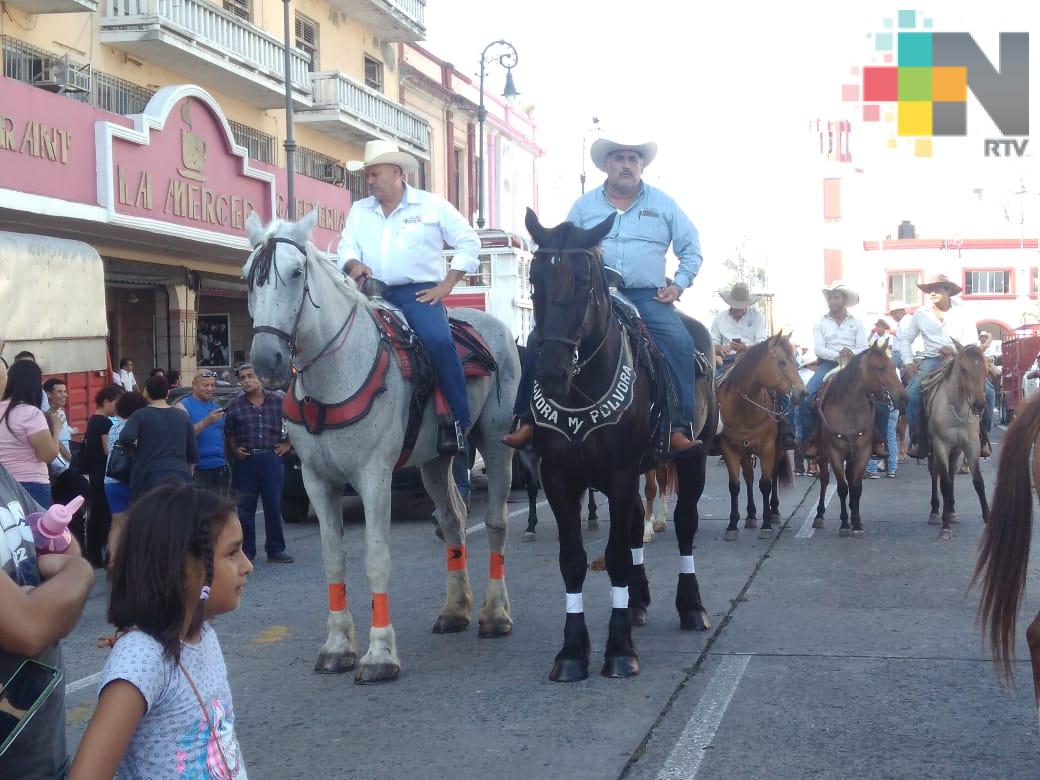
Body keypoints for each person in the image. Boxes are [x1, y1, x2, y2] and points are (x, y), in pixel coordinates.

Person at [505, 137, 702, 453]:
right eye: (620, 158)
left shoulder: (664, 205)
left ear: (641, 166)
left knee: (680, 343)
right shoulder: (584, 207)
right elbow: (565, 250)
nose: (627, 164)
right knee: (539, 338)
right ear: (607, 165)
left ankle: (678, 425)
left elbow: (691, 249)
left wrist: (678, 284)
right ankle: (525, 419)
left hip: (646, 296)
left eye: (633, 159)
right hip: (595, 296)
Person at [69, 484, 251, 779]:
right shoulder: (142, 658)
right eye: (232, 553)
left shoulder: (203, 635)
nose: (247, 565)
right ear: (181, 567)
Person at [337, 139, 480, 456]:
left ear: (397, 172)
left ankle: (458, 422)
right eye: (368, 175)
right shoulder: (360, 211)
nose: (369, 180)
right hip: (371, 292)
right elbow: (345, 246)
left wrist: (447, 284)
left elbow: (469, 242)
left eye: (374, 174)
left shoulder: (432, 205)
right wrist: (353, 263)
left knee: (439, 342)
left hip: (418, 294)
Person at [0, 462, 95, 779]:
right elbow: (30, 630)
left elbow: (63, 542)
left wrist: (62, 574)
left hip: (40, 752)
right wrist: (78, 573)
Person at [898, 274, 994, 458]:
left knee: (988, 392)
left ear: (948, 290)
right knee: (912, 394)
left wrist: (955, 348)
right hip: (932, 360)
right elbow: (906, 338)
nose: (932, 293)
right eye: (929, 290)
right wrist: (908, 361)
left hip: (960, 359)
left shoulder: (963, 312)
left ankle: (983, 436)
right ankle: (917, 439)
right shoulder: (921, 313)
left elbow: (972, 341)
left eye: (937, 289)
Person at [710, 282, 796, 449]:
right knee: (710, 386)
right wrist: (722, 348)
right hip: (727, 361)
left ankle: (786, 427)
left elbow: (763, 343)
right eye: (735, 305)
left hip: (753, 361)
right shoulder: (719, 318)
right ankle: (713, 427)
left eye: (741, 306)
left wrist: (745, 348)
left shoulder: (757, 317)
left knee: (780, 386)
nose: (738, 309)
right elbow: (713, 343)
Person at [223, 364, 293, 564]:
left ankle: (276, 549)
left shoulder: (278, 401)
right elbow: (229, 433)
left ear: (260, 378)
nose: (246, 380)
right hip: (247, 461)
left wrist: (288, 443)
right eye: (242, 377)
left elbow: (294, 422)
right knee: (245, 508)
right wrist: (235, 450)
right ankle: (247, 551)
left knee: (273, 505)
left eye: (250, 376)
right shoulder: (235, 405)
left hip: (272, 458)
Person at [800, 281, 870, 458]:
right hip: (829, 364)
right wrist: (839, 354)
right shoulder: (820, 322)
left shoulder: (857, 323)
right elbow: (819, 349)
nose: (832, 301)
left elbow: (863, 346)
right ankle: (811, 441)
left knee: (880, 396)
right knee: (807, 398)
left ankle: (878, 440)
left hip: (854, 366)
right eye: (830, 297)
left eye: (836, 297)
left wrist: (851, 352)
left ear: (844, 300)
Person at [116, 374, 197, 500]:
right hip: (179, 474)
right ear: (168, 393)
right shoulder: (182, 416)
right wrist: (188, 475)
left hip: (148, 476)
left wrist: (134, 451)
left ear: (147, 393)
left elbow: (125, 438)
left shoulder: (140, 415)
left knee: (150, 516)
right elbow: (192, 452)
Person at [0, 360, 61, 506]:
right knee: (34, 528)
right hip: (31, 484)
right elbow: (48, 455)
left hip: (3, 484)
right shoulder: (30, 413)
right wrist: (57, 428)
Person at [78, 385, 124, 568]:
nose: (118, 406)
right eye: (116, 402)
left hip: (94, 473)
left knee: (96, 515)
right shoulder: (104, 423)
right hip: (102, 474)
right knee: (103, 516)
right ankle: (100, 556)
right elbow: (108, 449)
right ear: (106, 401)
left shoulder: (93, 420)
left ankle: (93, 554)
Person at [43, 378, 90, 551]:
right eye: (59, 392)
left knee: (72, 512)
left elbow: (63, 442)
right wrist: (69, 460)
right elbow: (53, 443)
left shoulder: (60, 413)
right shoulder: (45, 415)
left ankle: (76, 548)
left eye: (65, 391)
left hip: (66, 468)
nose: (64, 395)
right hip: (56, 471)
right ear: (49, 394)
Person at [104, 391, 148, 563]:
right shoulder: (138, 427)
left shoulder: (113, 427)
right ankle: (135, 565)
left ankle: (114, 564)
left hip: (111, 480)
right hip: (131, 480)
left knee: (117, 525)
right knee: (138, 526)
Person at [175, 369, 231, 496]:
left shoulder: (217, 407)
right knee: (199, 514)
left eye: (212, 385)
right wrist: (206, 421)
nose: (210, 389)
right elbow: (183, 436)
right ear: (194, 385)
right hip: (198, 471)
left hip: (221, 469)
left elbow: (223, 437)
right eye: (205, 385)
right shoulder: (182, 406)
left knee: (221, 513)